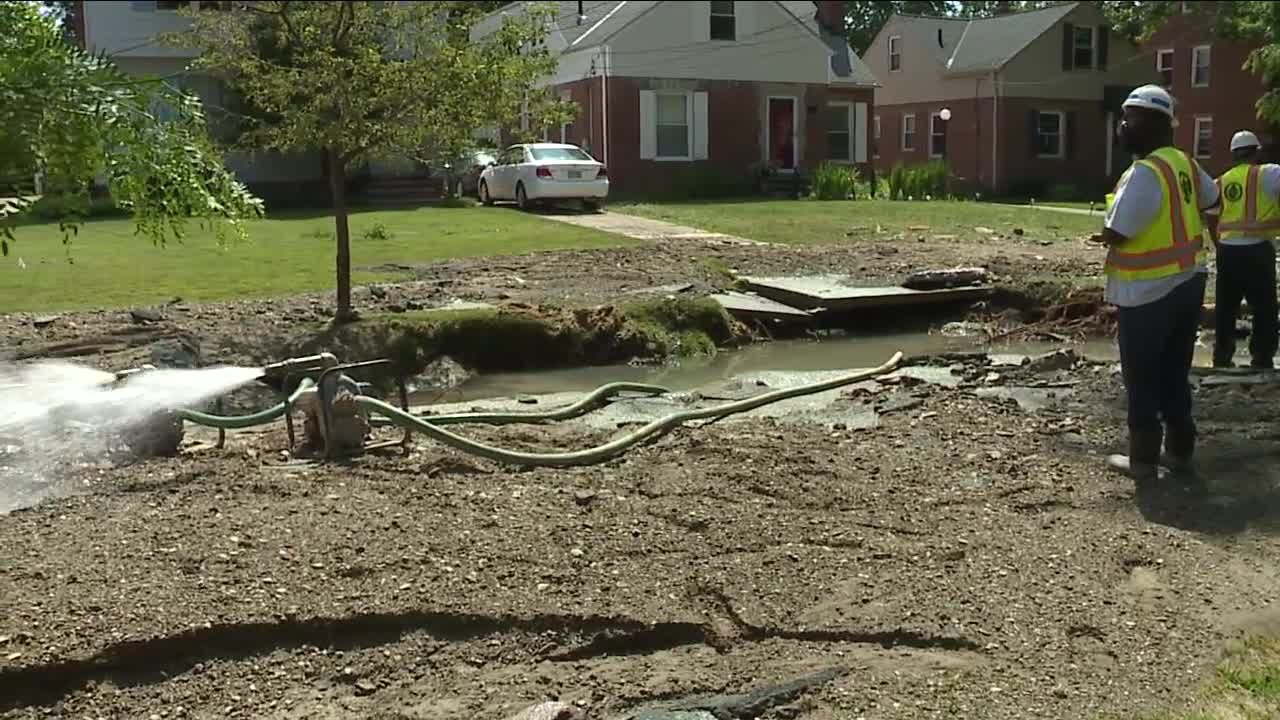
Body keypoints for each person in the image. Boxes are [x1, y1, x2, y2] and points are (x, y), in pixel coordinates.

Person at [1097, 84, 1221, 490]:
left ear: (1152, 123)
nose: (1124, 126)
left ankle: (1144, 460)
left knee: (1141, 376)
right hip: (1188, 281)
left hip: (1148, 289)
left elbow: (1118, 230)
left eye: (1129, 119)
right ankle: (1181, 452)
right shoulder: (1184, 163)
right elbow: (1212, 198)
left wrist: (1105, 232)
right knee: (1173, 371)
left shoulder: (1145, 172)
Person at [1212, 130, 1280, 369]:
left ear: (1233, 155)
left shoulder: (1221, 180)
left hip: (1228, 252)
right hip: (1258, 250)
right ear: (1256, 151)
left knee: (1226, 308)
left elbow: (1211, 215)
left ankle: (1222, 357)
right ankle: (1261, 357)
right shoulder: (1269, 173)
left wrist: (1218, 243)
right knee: (1264, 307)